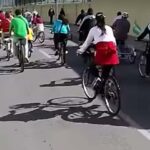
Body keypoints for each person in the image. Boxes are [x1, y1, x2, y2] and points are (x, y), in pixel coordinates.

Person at [77, 13, 119, 94]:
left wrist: (80, 50)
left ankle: (98, 79)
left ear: (96, 20)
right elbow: (114, 41)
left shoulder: (93, 29)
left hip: (102, 51)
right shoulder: (109, 28)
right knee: (106, 73)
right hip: (112, 51)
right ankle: (106, 89)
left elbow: (87, 43)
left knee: (92, 66)